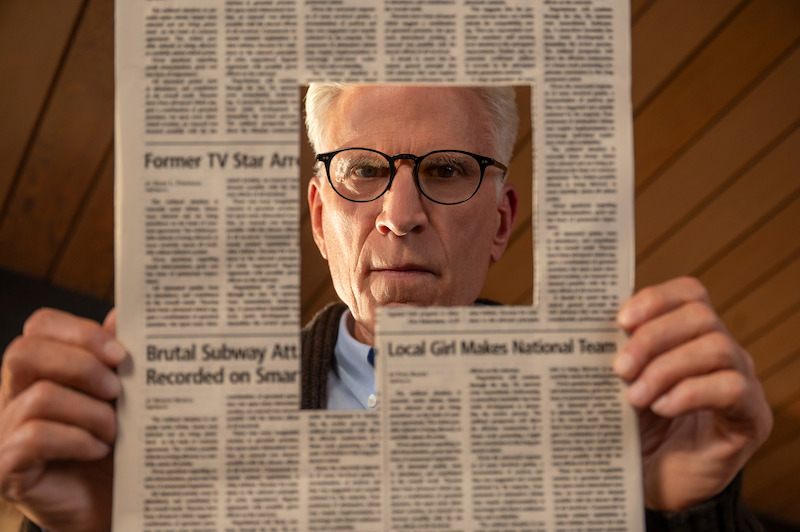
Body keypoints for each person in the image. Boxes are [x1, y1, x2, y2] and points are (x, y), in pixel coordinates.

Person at [0, 84, 772, 532]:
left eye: (443, 170)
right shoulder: (188, 424)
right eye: (363, 170)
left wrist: (682, 511)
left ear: (500, 222)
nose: (400, 214)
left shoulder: (609, 411)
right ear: (317, 219)